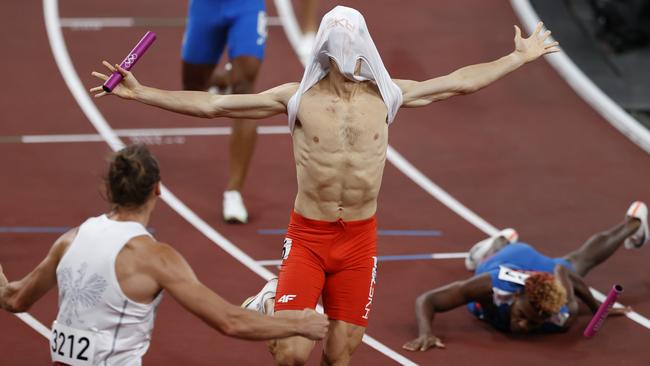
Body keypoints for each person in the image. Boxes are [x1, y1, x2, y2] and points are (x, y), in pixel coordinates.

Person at [90, 6, 559, 365]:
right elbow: (215, 108)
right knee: (293, 353)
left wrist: (517, 58)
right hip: (310, 238)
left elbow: (458, 83)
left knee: (339, 354)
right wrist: (141, 92)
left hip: (359, 241)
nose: (348, 48)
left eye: (354, 39)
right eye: (338, 40)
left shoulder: (388, 95)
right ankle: (275, 296)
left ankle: (288, 303)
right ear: (326, 49)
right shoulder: (297, 98)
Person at [0, 145, 328, 365]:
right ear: (158, 189)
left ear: (110, 190)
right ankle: (270, 299)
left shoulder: (69, 242)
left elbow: (14, 299)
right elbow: (229, 322)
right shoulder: (155, 259)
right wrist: (299, 324)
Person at [403, 201, 647, 352]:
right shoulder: (492, 285)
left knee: (576, 264)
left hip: (543, 269)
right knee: (484, 264)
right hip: (511, 259)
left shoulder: (561, 315)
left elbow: (563, 274)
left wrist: (597, 308)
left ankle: (634, 223)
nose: (523, 326)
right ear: (517, 295)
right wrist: (425, 332)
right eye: (522, 316)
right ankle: (501, 242)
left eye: (533, 323)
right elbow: (428, 300)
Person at [182, 0, 269, 223]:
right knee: (192, 87)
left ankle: (234, 191)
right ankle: (224, 78)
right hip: (206, 6)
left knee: (245, 89)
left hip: (246, 6)